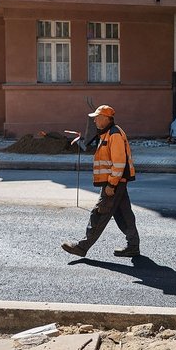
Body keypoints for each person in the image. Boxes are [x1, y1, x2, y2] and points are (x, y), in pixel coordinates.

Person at [62, 104, 140, 258]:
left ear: (106, 118)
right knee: (124, 214)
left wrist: (111, 184)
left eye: (97, 118)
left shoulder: (114, 134)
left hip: (114, 183)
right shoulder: (107, 133)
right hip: (117, 182)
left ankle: (82, 247)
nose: (95, 121)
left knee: (99, 213)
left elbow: (119, 162)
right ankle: (133, 246)